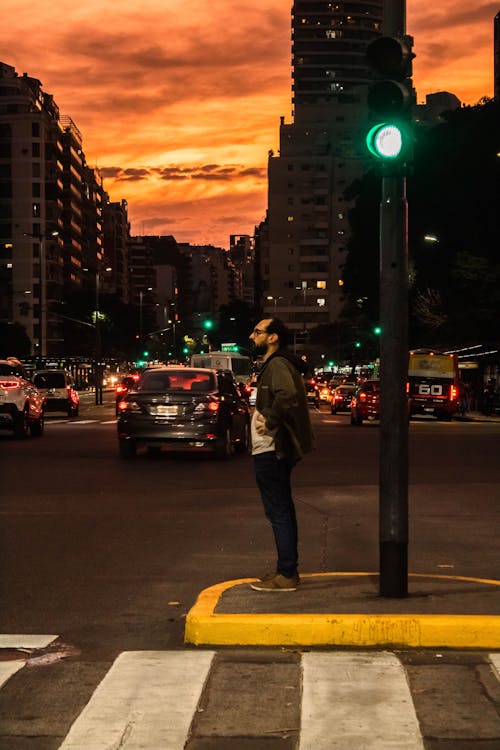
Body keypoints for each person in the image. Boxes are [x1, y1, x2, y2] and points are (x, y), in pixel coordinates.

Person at [248, 318, 314, 591]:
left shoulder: (277, 364)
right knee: (281, 509)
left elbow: (287, 396)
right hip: (272, 447)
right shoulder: (276, 364)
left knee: (278, 511)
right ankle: (286, 570)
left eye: (257, 332)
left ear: (272, 338)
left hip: (272, 448)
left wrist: (271, 420)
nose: (252, 336)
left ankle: (286, 574)